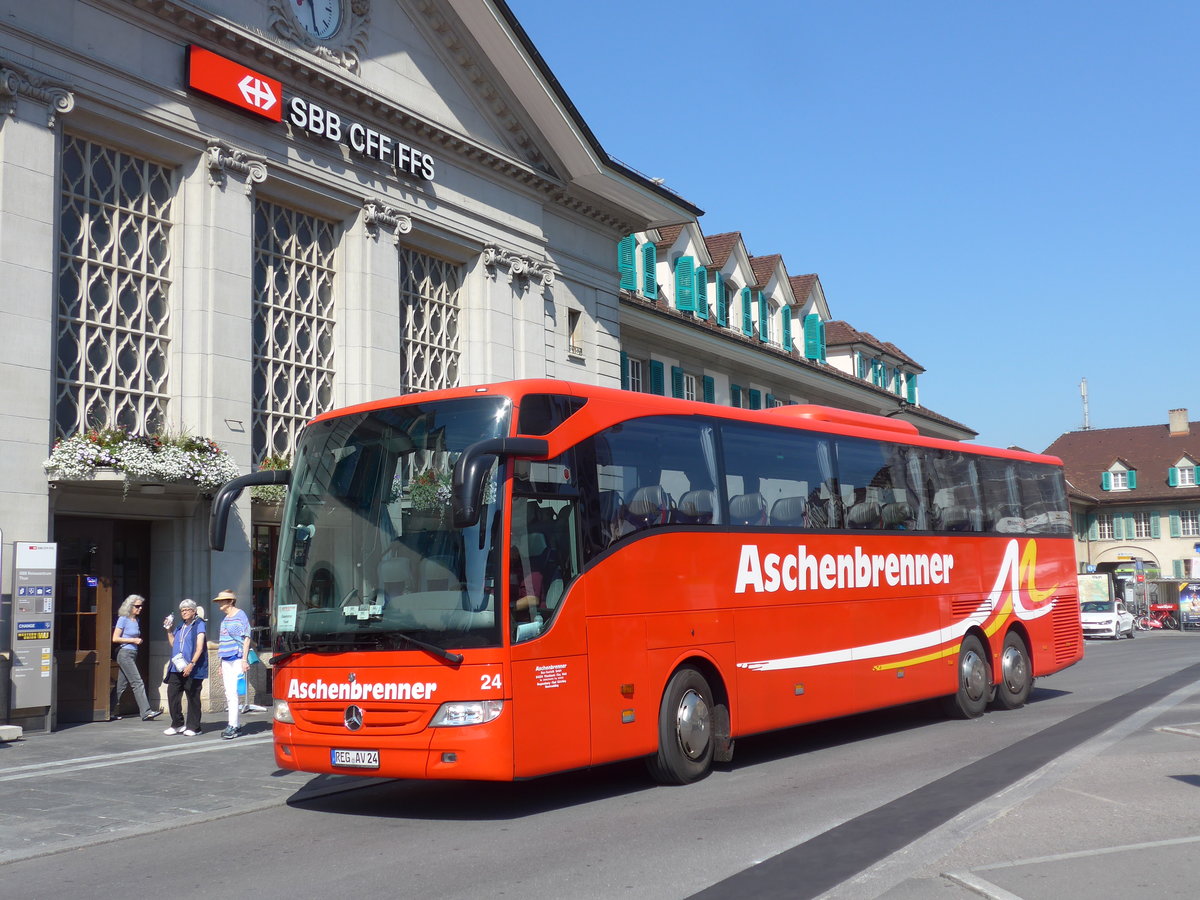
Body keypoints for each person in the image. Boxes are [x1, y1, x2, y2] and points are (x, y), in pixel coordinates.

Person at [109, 594, 162, 721]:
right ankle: (146, 712)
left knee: (121, 685)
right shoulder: (123, 619)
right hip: (125, 653)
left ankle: (108, 711)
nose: (140, 608)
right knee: (137, 682)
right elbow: (115, 638)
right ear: (130, 606)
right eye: (137, 606)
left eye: (141, 606)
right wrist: (133, 640)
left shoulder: (136, 620)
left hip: (132, 654)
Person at [162, 598, 208, 736]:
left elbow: (199, 647)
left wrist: (192, 663)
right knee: (173, 695)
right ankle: (177, 723)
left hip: (192, 667)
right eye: (182, 610)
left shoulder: (199, 624)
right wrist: (169, 631)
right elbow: (174, 643)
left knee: (193, 696)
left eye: (187, 609)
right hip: (177, 667)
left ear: (194, 611)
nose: (185, 612)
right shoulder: (180, 626)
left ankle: (194, 727)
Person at [213, 589, 251, 740]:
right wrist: (220, 664)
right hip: (226, 659)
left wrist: (244, 659)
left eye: (221, 601)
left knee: (234, 693)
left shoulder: (240, 615)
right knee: (229, 694)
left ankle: (233, 725)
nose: (219, 604)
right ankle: (233, 724)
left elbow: (247, 637)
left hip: (237, 658)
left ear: (230, 601)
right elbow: (222, 642)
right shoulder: (224, 620)